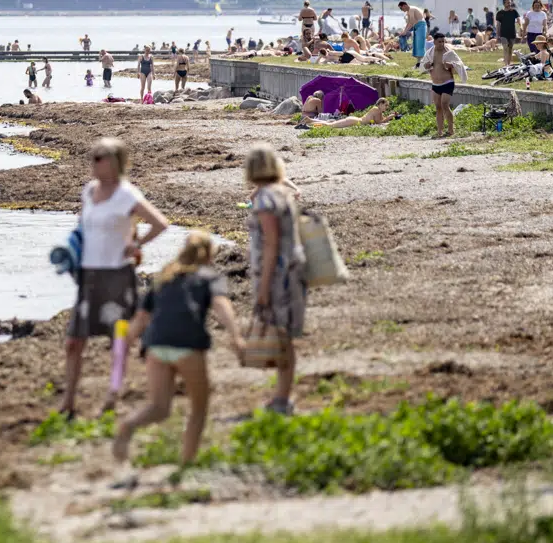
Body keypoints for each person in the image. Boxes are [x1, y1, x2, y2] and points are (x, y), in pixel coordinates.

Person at [111, 231, 244, 466]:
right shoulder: (209, 277)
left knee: (158, 407)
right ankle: (186, 465)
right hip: (188, 344)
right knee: (198, 409)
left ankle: (127, 426)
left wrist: (124, 345)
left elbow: (141, 318)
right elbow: (221, 305)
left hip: (155, 345)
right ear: (209, 256)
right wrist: (236, 337)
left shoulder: (164, 276)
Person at [59, 137, 170, 418]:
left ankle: (113, 393)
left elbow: (160, 223)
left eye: (100, 157)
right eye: (93, 156)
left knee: (119, 339)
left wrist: (137, 245)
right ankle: (68, 402)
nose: (93, 162)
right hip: (89, 275)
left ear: (115, 162)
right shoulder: (88, 191)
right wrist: (71, 255)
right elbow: (83, 228)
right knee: (74, 341)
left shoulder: (126, 194)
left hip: (117, 276)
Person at [245, 143, 305, 415]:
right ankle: (282, 396)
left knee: (280, 336)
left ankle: (282, 398)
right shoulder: (281, 194)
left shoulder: (266, 200)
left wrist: (264, 287)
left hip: (278, 274)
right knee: (285, 337)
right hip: (292, 270)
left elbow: (270, 245)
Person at [420, 32, 467, 137]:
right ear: (434, 42)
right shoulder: (430, 53)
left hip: (448, 82)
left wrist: (451, 65)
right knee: (438, 107)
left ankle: (451, 130)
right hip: (436, 84)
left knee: (445, 104)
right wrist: (427, 65)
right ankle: (439, 131)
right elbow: (423, 65)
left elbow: (460, 64)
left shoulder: (449, 52)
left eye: (443, 41)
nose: (442, 44)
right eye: (439, 42)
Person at [310, 97, 397, 129]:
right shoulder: (377, 110)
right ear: (380, 104)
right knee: (330, 126)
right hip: (354, 121)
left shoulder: (377, 110)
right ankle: (310, 122)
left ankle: (311, 122)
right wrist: (389, 117)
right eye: (386, 105)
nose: (387, 107)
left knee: (331, 124)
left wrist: (390, 117)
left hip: (354, 120)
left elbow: (380, 120)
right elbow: (379, 122)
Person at [496, 0, 520, 65]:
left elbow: (519, 21)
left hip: (512, 33)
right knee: (505, 48)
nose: (509, 4)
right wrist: (497, 35)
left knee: (510, 49)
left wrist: (519, 30)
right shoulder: (500, 13)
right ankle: (506, 64)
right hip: (503, 33)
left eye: (509, 3)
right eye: (507, 3)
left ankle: (508, 64)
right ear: (504, 4)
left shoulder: (514, 12)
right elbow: (498, 25)